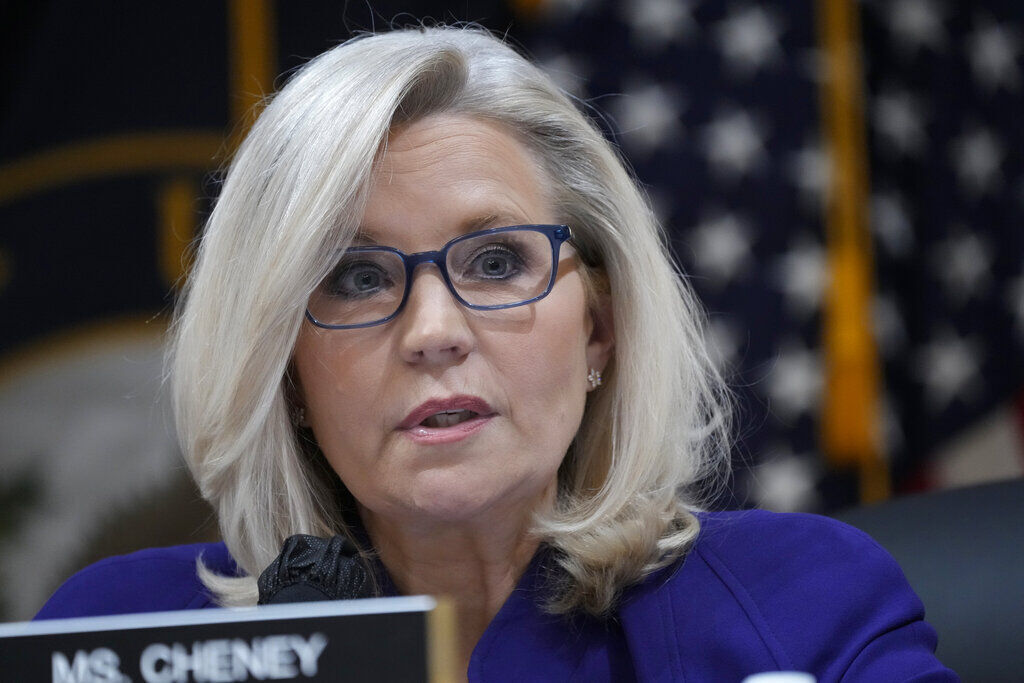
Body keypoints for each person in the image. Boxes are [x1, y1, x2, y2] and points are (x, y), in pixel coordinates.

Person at [35, 25, 956, 681]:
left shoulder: (805, 611)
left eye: (497, 261)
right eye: (356, 278)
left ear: (598, 326)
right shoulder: (120, 640)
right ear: (288, 372)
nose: (433, 330)